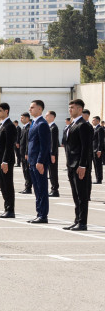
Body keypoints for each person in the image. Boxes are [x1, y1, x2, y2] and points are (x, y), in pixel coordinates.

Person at [62, 99, 93, 231]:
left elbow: (86, 147)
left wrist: (83, 165)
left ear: (80, 109)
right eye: (69, 107)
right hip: (71, 165)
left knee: (82, 196)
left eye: (72, 108)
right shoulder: (72, 124)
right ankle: (77, 220)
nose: (70, 110)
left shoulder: (83, 125)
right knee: (75, 195)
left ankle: (82, 223)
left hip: (79, 165)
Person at [26, 100, 51, 224]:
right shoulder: (34, 123)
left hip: (38, 162)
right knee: (37, 189)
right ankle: (39, 213)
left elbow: (44, 145)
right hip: (32, 161)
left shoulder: (42, 124)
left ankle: (43, 215)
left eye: (32, 107)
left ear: (40, 109)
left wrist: (40, 161)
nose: (30, 109)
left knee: (41, 189)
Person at [0, 103, 17, 218]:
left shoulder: (9, 126)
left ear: (6, 111)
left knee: (7, 185)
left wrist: (5, 161)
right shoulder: (0, 124)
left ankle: (10, 210)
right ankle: (6, 208)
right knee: (2, 185)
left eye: (0, 111)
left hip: (5, 161)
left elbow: (9, 146)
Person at [18, 113, 33, 193]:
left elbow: (28, 142)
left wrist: (27, 153)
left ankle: (28, 188)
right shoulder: (24, 128)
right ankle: (27, 186)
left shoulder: (28, 128)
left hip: (26, 154)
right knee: (24, 170)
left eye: (22, 118)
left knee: (27, 171)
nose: (21, 120)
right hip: (22, 153)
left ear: (27, 118)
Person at [46, 110, 60, 198]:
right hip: (49, 153)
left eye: (47, 115)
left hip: (52, 154)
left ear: (52, 117)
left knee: (53, 171)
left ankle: (55, 190)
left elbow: (54, 143)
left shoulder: (54, 128)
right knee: (51, 172)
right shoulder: (49, 127)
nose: (45, 117)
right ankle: (53, 189)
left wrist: (53, 154)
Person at [92, 116, 104, 183]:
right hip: (94, 150)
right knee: (95, 165)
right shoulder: (95, 128)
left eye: (94, 120)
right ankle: (97, 178)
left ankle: (99, 179)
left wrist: (99, 150)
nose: (92, 121)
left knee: (98, 165)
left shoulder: (100, 129)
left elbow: (100, 140)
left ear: (97, 121)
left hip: (97, 150)